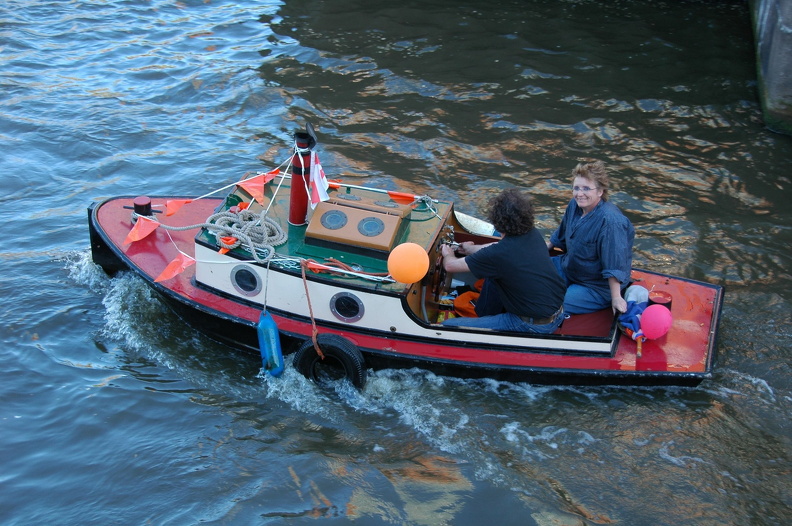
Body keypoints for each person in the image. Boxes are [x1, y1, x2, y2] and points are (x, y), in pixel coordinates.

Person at [440, 188, 566, 333]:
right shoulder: (532, 234)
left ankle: (487, 323)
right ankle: (485, 317)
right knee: (493, 276)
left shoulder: (499, 254)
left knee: (449, 326)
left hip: (531, 324)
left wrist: (447, 252)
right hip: (556, 312)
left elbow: (450, 266)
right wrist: (471, 249)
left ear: (497, 221)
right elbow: (496, 246)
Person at [547, 160, 635, 315]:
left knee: (554, 303)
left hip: (595, 286)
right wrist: (535, 252)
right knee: (530, 273)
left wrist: (616, 297)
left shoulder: (610, 222)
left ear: (600, 191)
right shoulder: (574, 205)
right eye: (576, 188)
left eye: (586, 188)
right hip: (571, 268)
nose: (579, 194)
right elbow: (558, 237)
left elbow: (614, 264)